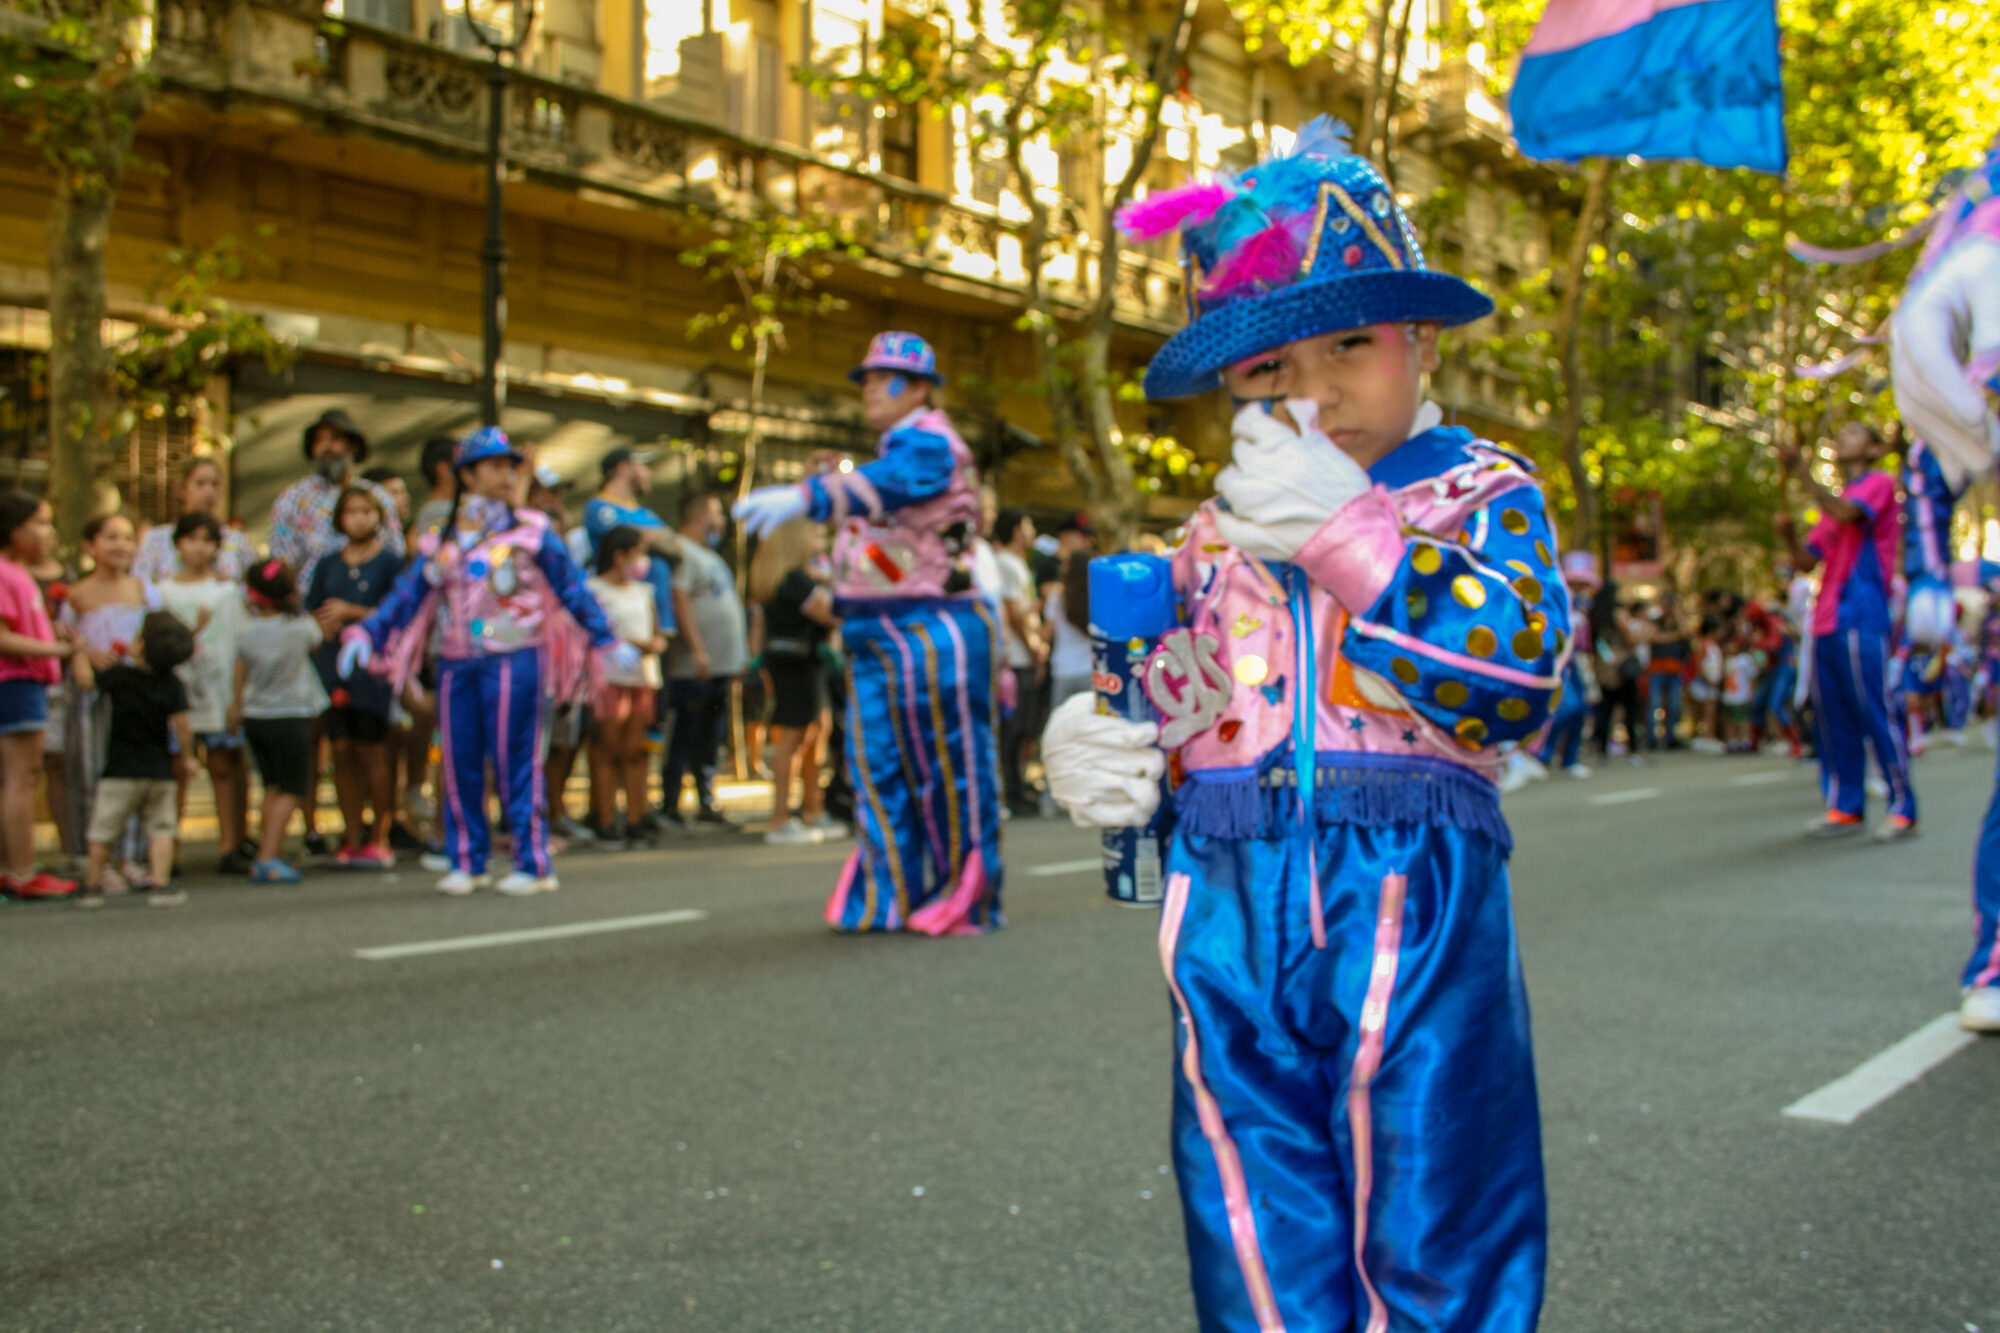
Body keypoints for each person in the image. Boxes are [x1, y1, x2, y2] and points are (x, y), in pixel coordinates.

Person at [1042, 121, 1564, 1331]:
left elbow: (1521, 675)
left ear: (1420, 343)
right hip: (1223, 886)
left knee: (1436, 1199)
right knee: (1246, 1197)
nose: (1317, 394)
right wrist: (1103, 742)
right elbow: (1174, 692)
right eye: (1270, 369)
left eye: (1348, 346)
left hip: (1412, 883)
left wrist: (1352, 537)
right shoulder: (1205, 535)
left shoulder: (1479, 490)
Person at [735, 330, 1003, 935]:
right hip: (872, 631)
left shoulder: (932, 444)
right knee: (873, 765)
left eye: (892, 379)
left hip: (934, 627)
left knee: (948, 769)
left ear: (924, 389)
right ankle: (891, 893)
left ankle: (964, 894)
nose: (875, 390)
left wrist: (810, 495)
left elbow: (894, 482)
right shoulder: (893, 452)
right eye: (870, 379)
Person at [337, 429, 633, 897]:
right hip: (457, 661)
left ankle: (532, 861)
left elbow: (571, 586)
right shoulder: (443, 538)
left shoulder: (532, 530)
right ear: (467, 475)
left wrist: (605, 639)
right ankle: (468, 859)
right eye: (492, 465)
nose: (504, 473)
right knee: (458, 760)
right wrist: (367, 633)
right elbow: (408, 595)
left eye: (510, 465)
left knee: (516, 758)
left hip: (516, 656)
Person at [1775, 421, 1918, 840]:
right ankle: (1845, 806)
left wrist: (1801, 472)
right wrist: (1788, 540)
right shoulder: (1833, 503)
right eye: (1840, 435)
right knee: (1831, 718)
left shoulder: (1878, 483)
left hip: (1863, 615)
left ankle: (1903, 806)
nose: (1843, 439)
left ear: (1873, 449)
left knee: (1873, 709)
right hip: (1825, 621)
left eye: (1855, 433)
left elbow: (1848, 514)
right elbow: (1806, 561)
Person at [61, 513, 162, 890]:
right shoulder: (75, 594)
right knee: (92, 775)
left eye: (126, 538)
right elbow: (69, 644)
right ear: (90, 546)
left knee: (134, 775)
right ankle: (95, 858)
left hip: (136, 698)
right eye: (110, 537)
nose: (120, 545)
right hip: (94, 698)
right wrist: (84, 656)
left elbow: (160, 638)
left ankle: (131, 856)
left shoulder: (144, 589)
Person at [71, 611, 196, 908]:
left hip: (120, 771)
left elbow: (86, 681)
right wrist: (187, 757)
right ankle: (161, 883)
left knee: (104, 830)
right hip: (159, 771)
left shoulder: (121, 677)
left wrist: (79, 651)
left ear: (141, 646)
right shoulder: (173, 684)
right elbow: (183, 725)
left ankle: (91, 886)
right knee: (162, 828)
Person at [306, 486, 403, 869]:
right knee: (341, 751)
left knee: (373, 750)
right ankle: (350, 835)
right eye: (351, 511)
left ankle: (380, 834)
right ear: (339, 519)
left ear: (379, 516)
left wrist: (353, 612)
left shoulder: (392, 562)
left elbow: (399, 611)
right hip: (333, 666)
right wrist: (323, 623)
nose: (360, 518)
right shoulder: (328, 563)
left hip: (373, 668)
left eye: (367, 511)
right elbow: (311, 608)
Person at [155, 513, 252, 873]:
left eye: (208, 539)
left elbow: (241, 646)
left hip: (219, 690)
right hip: (175, 695)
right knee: (177, 768)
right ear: (178, 543)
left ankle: (231, 845)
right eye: (192, 538)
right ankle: (169, 850)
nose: (200, 547)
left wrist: (237, 698)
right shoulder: (163, 592)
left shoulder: (227, 592)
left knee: (223, 765)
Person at [0, 493, 78, 900]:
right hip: (15, 683)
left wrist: (51, 631)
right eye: (41, 523)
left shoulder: (16, 571)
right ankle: (21, 869)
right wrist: (56, 650)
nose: (49, 532)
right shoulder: (5, 571)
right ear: (16, 529)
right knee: (21, 777)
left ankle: (12, 865)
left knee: (15, 777)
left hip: (19, 683)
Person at [230, 559, 325, 883]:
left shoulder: (245, 632)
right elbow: (317, 640)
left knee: (271, 786)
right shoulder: (301, 628)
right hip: (291, 716)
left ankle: (267, 850)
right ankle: (268, 855)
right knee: (292, 788)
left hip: (256, 715)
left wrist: (235, 706)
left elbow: (240, 672)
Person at [748, 517, 842, 846]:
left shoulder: (794, 578)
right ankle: (779, 818)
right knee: (792, 738)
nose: (822, 538)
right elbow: (830, 615)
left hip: (804, 664)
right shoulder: (793, 581)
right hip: (795, 665)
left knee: (812, 734)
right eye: (815, 533)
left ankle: (811, 810)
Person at [661, 491, 745, 828]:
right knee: (686, 732)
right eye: (716, 513)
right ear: (699, 516)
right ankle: (670, 803)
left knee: (710, 735)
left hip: (720, 668)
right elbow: (678, 599)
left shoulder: (708, 555)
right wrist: (697, 650)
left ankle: (705, 800)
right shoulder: (684, 551)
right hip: (695, 669)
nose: (722, 522)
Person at [585, 525, 667, 845]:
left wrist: (655, 644)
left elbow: (657, 629)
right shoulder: (594, 590)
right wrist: (632, 643)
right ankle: (605, 816)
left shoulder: (643, 591)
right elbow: (593, 633)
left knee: (635, 750)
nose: (643, 560)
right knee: (608, 749)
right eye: (639, 553)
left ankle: (636, 815)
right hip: (609, 678)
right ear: (619, 555)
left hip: (642, 678)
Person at [267, 408, 406, 589]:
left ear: (353, 446)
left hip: (369, 609)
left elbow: (395, 553)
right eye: (319, 440)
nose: (326, 447)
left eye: (335, 439)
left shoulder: (378, 497)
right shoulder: (292, 499)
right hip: (310, 609)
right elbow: (281, 562)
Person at [992, 508, 1047, 817]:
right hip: (1014, 658)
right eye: (1028, 522)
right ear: (1015, 529)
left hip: (1025, 655)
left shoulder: (1018, 565)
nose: (1031, 529)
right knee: (1011, 729)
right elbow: (1013, 613)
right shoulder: (1005, 564)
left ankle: (1018, 785)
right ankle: (1009, 789)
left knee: (1025, 727)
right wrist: (1032, 645)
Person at [134, 457, 259, 583]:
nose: (209, 491)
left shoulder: (238, 541)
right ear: (182, 490)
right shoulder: (156, 539)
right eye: (200, 483)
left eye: (215, 484)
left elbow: (253, 588)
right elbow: (140, 586)